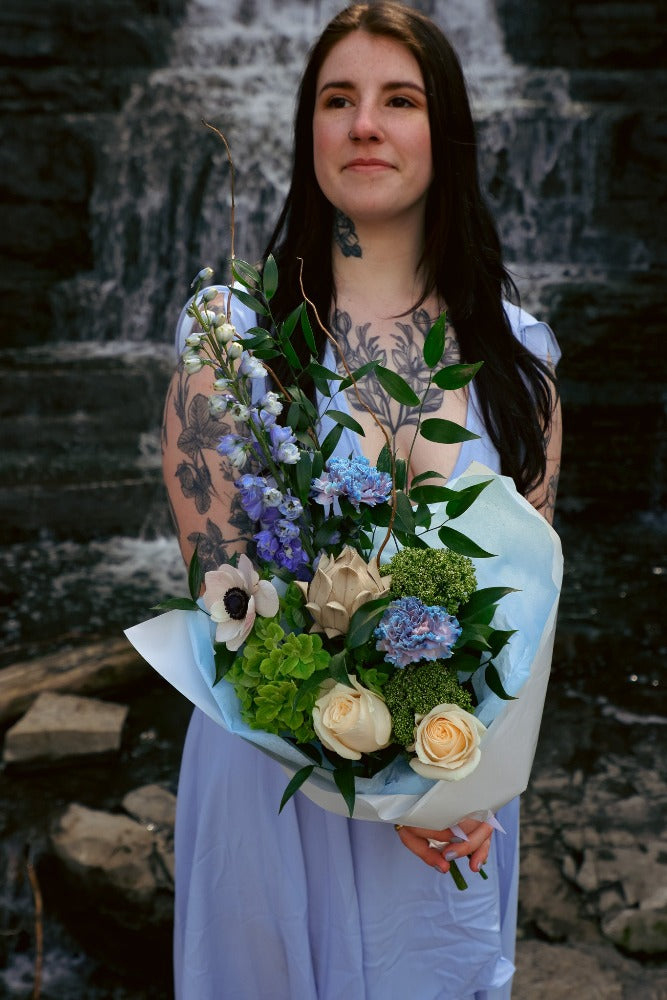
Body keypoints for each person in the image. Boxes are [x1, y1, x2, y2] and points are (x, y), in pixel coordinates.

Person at [161, 3, 562, 998]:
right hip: (274, 784)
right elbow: (228, 600)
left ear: (445, 133)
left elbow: (526, 616)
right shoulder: (232, 337)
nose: (364, 125)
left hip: (451, 796)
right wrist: (392, 786)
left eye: (399, 99)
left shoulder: (522, 364)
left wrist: (460, 784)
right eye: (337, 100)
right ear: (309, 133)